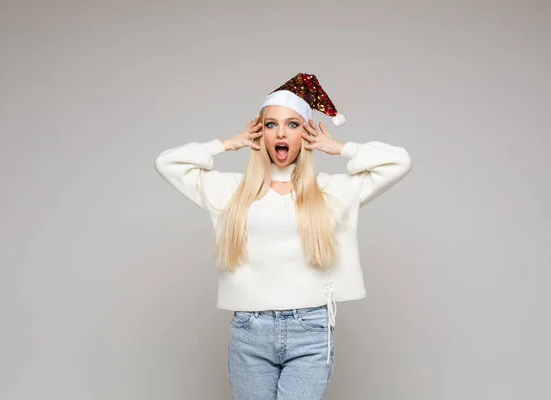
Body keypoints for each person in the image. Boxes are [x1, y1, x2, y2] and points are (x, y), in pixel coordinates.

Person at [154, 73, 412, 399]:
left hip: (311, 330)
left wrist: (338, 147)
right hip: (250, 331)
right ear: (261, 133)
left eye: (292, 124)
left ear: (304, 133)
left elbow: (399, 161)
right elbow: (166, 162)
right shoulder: (231, 192)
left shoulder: (332, 193)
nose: (281, 133)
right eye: (272, 124)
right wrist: (227, 143)